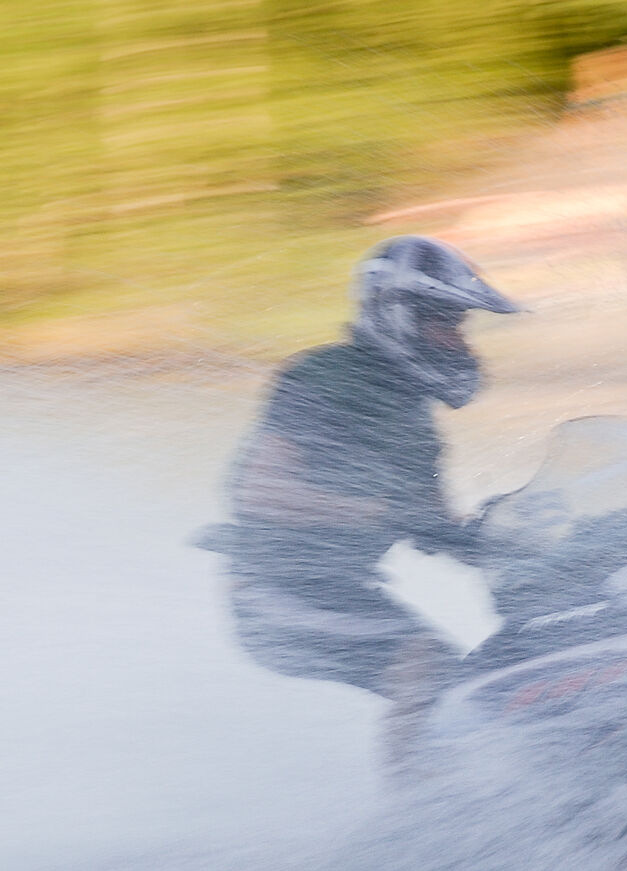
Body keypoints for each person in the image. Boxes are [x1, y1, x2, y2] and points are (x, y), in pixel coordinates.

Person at [203, 235, 520, 757]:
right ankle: (421, 806)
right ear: (400, 316)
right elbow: (258, 491)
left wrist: (522, 531)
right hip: (274, 590)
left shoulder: (412, 416)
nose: (458, 341)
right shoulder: (325, 378)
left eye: (460, 326)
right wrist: (376, 511)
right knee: (425, 664)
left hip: (341, 589)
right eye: (446, 323)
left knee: (477, 685)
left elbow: (435, 523)